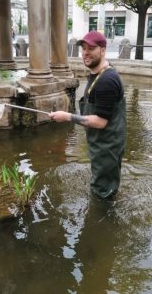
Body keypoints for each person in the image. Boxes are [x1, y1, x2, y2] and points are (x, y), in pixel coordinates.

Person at [49, 31, 126, 200]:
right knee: (105, 186)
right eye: (83, 48)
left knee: (102, 194)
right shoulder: (98, 74)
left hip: (107, 146)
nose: (85, 52)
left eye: (91, 48)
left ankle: (103, 221)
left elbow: (100, 122)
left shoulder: (107, 80)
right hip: (102, 144)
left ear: (103, 50)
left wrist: (67, 117)